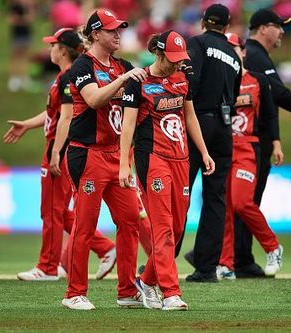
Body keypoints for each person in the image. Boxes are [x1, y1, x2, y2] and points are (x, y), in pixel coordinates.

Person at [3, 28, 117, 282]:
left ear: (63, 49)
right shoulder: (63, 77)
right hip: (58, 146)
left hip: (60, 148)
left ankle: (47, 267)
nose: (49, 50)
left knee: (53, 211)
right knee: (58, 211)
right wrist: (27, 124)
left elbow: (67, 116)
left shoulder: (69, 77)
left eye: (53, 45)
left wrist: (56, 151)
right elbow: (54, 114)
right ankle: (104, 247)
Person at [120, 30, 215, 310]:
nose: (176, 63)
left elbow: (190, 115)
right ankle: (171, 292)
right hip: (152, 159)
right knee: (163, 228)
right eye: (171, 58)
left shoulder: (184, 77)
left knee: (176, 227)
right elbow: (127, 126)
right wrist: (124, 162)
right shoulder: (138, 82)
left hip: (181, 159)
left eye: (179, 58)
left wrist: (204, 151)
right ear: (158, 53)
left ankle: (146, 281)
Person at [61, 9, 147, 310]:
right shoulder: (83, 65)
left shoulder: (123, 64)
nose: (118, 34)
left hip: (117, 156)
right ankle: (74, 293)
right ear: (95, 34)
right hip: (87, 154)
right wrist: (124, 78)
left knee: (130, 221)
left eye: (120, 29)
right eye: (111, 30)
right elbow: (94, 99)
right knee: (85, 225)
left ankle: (126, 290)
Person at [230, 8, 291, 278]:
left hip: (248, 143)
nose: (282, 31)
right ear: (262, 28)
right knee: (245, 202)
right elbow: (278, 94)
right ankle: (238, 259)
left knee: (240, 202)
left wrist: (278, 139)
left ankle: (236, 258)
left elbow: (270, 103)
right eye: (278, 25)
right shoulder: (256, 56)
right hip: (249, 144)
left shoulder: (257, 56)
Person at [177, 3, 242, 283]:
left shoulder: (197, 44)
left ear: (204, 22)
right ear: (227, 27)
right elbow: (236, 97)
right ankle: (206, 269)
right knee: (215, 199)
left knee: (180, 192)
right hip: (224, 128)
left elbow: (191, 81)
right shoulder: (235, 56)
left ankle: (163, 262)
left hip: (198, 122)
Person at [218, 33, 284, 280]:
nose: (230, 51)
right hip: (224, 149)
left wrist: (276, 144)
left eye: (234, 47)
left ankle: (272, 246)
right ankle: (226, 264)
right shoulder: (220, 82)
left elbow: (269, 116)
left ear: (243, 52)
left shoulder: (257, 81)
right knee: (225, 207)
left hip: (248, 147)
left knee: (242, 202)